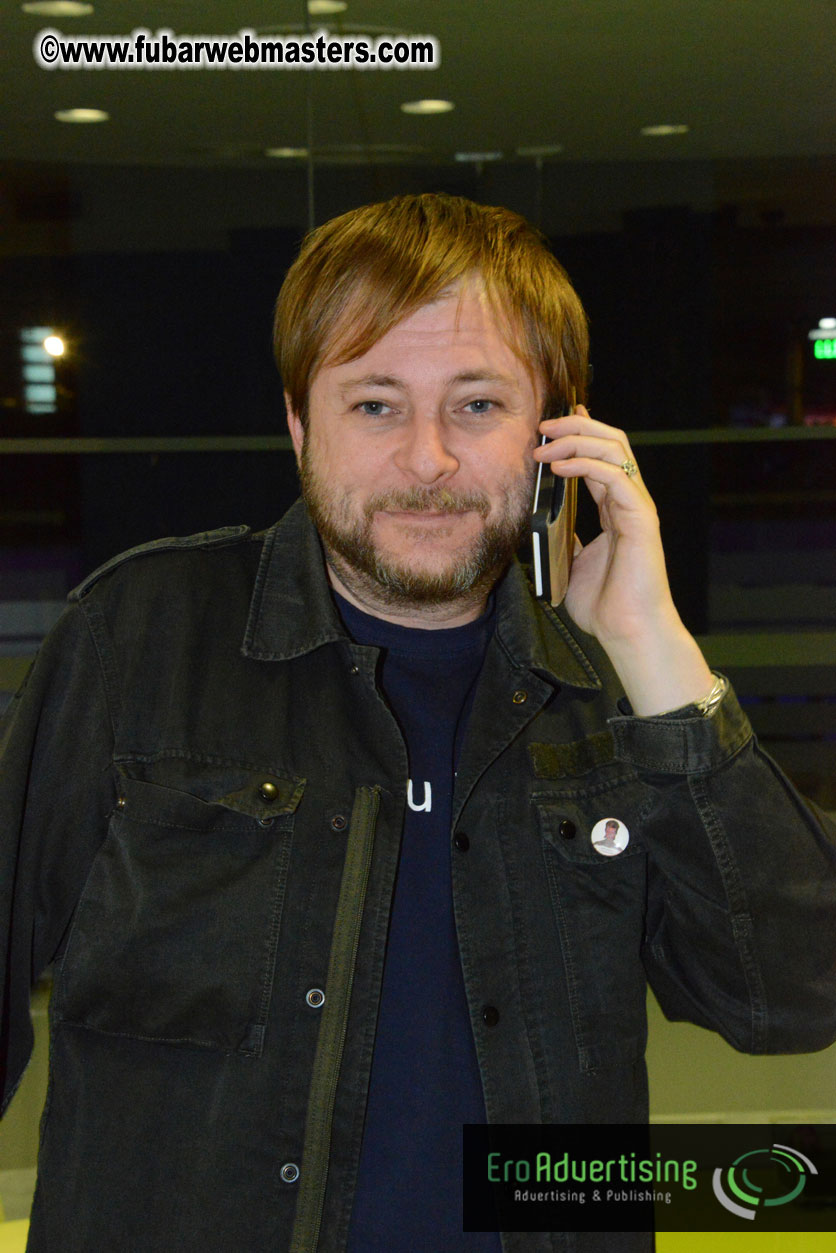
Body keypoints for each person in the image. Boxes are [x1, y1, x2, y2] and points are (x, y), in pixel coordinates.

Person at [1, 193, 834, 1253]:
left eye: (477, 404)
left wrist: (655, 650)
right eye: (376, 405)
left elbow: (792, 997)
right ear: (301, 423)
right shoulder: (140, 636)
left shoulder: (614, 681)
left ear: (556, 434)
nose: (429, 458)